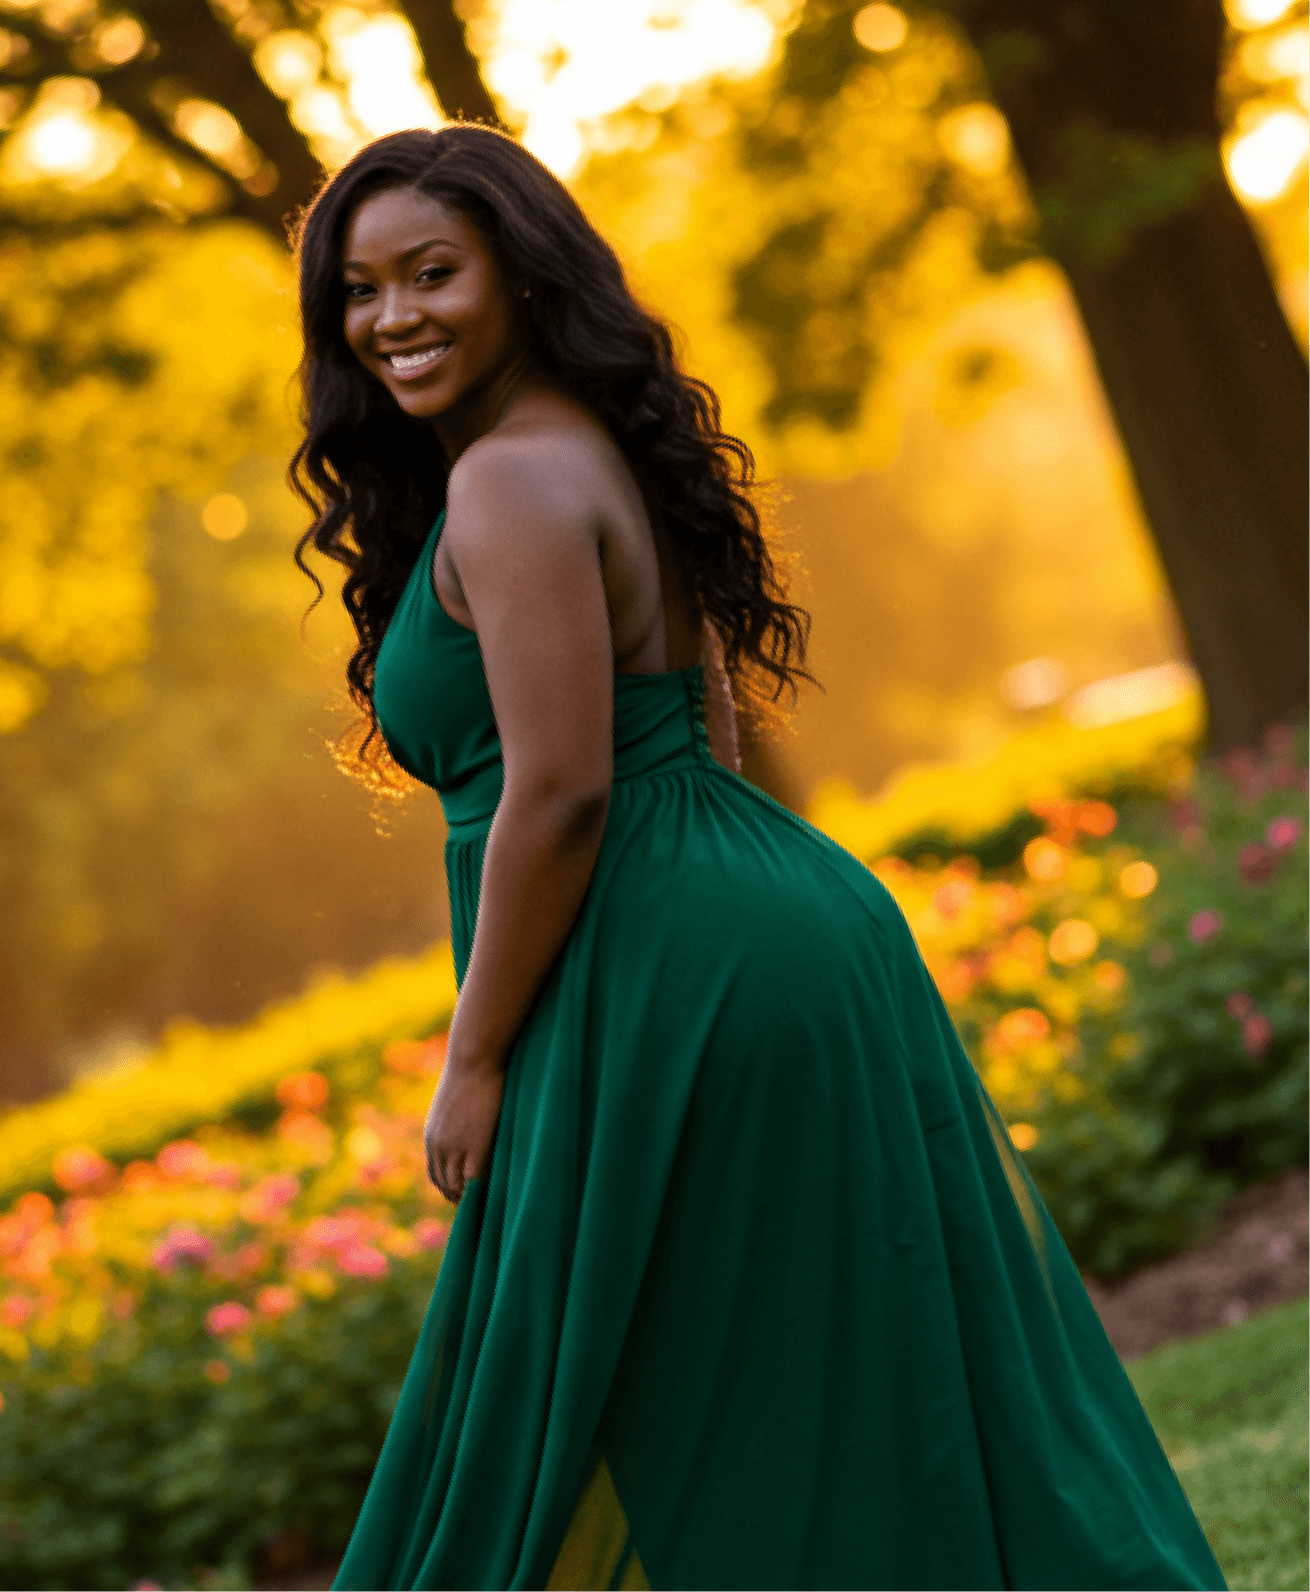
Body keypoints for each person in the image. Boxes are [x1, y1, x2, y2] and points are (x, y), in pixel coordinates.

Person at [290, 124, 1227, 1592]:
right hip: (739, 922)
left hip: (666, 950)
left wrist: (473, 1059)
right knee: (838, 1359)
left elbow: (558, 794)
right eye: (362, 289)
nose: (394, 315)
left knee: (673, 1380)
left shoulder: (507, 486)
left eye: (432, 273)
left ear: (520, 279)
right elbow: (699, 726)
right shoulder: (579, 446)